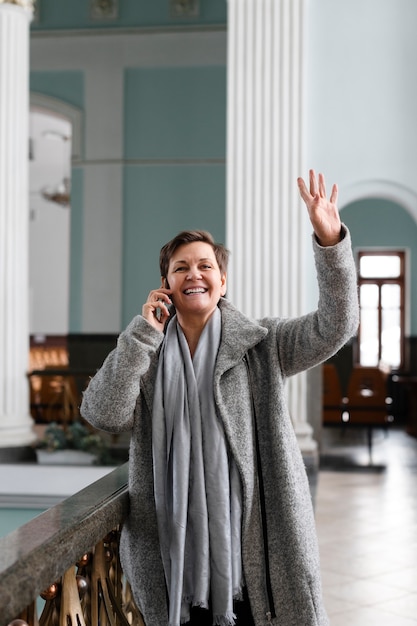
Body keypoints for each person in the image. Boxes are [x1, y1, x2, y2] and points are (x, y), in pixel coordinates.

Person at [81, 170, 359, 626]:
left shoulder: (262, 343)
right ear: (166, 284)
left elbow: (337, 325)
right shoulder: (145, 355)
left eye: (205, 265)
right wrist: (141, 334)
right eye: (181, 267)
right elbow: (103, 413)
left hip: (258, 557)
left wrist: (331, 245)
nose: (194, 274)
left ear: (223, 282)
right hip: (172, 563)